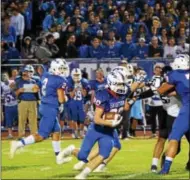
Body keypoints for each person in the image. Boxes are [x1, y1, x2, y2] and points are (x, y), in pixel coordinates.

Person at [10, 60, 71, 165]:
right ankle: (18, 144)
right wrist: (66, 97)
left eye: (63, 68)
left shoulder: (46, 74)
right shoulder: (60, 80)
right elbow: (61, 99)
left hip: (43, 106)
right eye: (61, 68)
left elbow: (35, 88)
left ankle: (58, 157)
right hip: (50, 109)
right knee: (41, 136)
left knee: (56, 131)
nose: (63, 70)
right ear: (55, 68)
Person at [138, 54, 190, 174]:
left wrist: (139, 96)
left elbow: (159, 90)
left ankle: (165, 169)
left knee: (174, 138)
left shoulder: (175, 75)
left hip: (187, 109)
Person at [68, 68, 89, 138]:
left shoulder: (84, 82)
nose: (76, 76)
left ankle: (81, 132)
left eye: (78, 75)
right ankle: (76, 132)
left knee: (82, 118)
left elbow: (84, 94)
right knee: (74, 118)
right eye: (75, 75)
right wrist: (75, 89)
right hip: (73, 102)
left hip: (81, 102)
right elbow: (71, 95)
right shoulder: (70, 82)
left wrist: (81, 88)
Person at [1, 72, 18, 139]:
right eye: (2, 76)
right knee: (8, 120)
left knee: (21, 118)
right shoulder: (1, 85)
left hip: (16, 104)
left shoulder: (13, 82)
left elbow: (16, 91)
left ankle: (21, 133)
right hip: (7, 105)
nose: (4, 77)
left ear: (8, 76)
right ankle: (10, 134)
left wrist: (13, 88)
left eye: (5, 76)